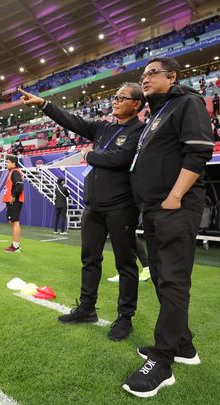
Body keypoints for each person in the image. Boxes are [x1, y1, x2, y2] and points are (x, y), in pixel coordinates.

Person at [20, 82, 145, 342]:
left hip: (121, 207)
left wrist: (89, 156)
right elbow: (72, 121)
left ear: (137, 104)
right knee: (89, 260)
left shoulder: (139, 131)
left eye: (122, 97)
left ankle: (125, 318)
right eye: (115, 95)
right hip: (94, 206)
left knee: (125, 264)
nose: (115, 100)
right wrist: (44, 104)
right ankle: (87, 309)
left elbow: (120, 159)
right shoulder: (104, 127)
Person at [124, 56, 214, 398]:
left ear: (172, 76)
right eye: (142, 74)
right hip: (156, 208)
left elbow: (199, 153)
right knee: (163, 277)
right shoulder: (158, 112)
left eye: (152, 73)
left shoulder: (187, 103)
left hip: (175, 206)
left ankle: (162, 362)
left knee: (173, 280)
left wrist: (175, 195)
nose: (144, 79)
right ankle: (184, 346)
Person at [2, 155, 25, 252]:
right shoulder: (13, 172)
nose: (6, 164)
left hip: (14, 201)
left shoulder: (15, 172)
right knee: (13, 222)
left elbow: (19, 185)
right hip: (12, 201)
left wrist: (13, 196)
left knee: (15, 222)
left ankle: (16, 247)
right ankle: (15, 245)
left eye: (8, 162)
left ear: (13, 163)